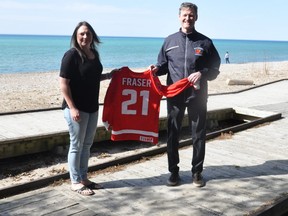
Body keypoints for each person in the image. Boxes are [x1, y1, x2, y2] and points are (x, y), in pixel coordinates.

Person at [149, 2, 220, 187]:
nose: (187, 18)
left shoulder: (205, 42)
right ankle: (174, 172)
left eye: (191, 15)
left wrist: (202, 73)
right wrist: (156, 69)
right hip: (174, 95)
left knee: (198, 134)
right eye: (185, 15)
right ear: (179, 16)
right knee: (173, 133)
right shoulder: (169, 41)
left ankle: (197, 172)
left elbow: (215, 68)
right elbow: (163, 65)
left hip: (197, 95)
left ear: (196, 17)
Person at [59, 21, 114, 196]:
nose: (85, 37)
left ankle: (84, 178)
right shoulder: (71, 55)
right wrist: (72, 107)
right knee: (76, 145)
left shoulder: (93, 54)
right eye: (81, 33)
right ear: (76, 36)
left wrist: (108, 76)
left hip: (91, 107)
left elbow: (91, 77)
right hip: (76, 109)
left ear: (93, 36)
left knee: (87, 145)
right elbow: (63, 84)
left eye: (88, 34)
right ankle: (75, 181)